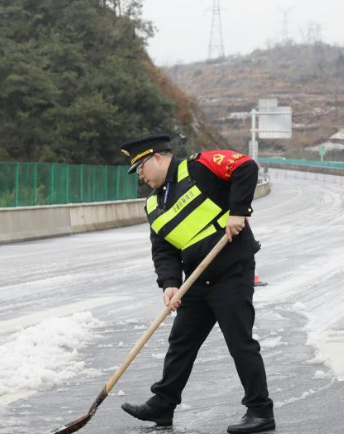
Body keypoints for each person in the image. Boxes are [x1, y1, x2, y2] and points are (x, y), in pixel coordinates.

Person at [118, 134, 275, 434]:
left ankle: (260, 410)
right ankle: (163, 404)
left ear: (158, 158)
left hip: (231, 270)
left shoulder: (198, 167)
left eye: (141, 168)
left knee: (239, 342)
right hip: (196, 280)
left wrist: (239, 211)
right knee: (181, 343)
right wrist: (169, 284)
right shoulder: (153, 204)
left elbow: (245, 166)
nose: (140, 175)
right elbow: (163, 250)